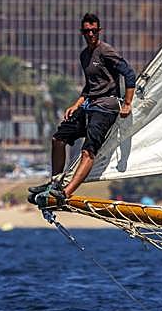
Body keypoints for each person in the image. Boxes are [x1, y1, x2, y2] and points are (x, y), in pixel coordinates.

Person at [34, 12, 136, 204]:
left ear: (99, 31)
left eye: (94, 31)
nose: (90, 34)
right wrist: (76, 104)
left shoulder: (106, 51)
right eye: (87, 31)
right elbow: (90, 86)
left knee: (88, 150)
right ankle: (55, 184)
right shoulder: (84, 55)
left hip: (107, 106)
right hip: (90, 104)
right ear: (82, 32)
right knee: (58, 139)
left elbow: (129, 74)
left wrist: (128, 103)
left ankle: (66, 193)